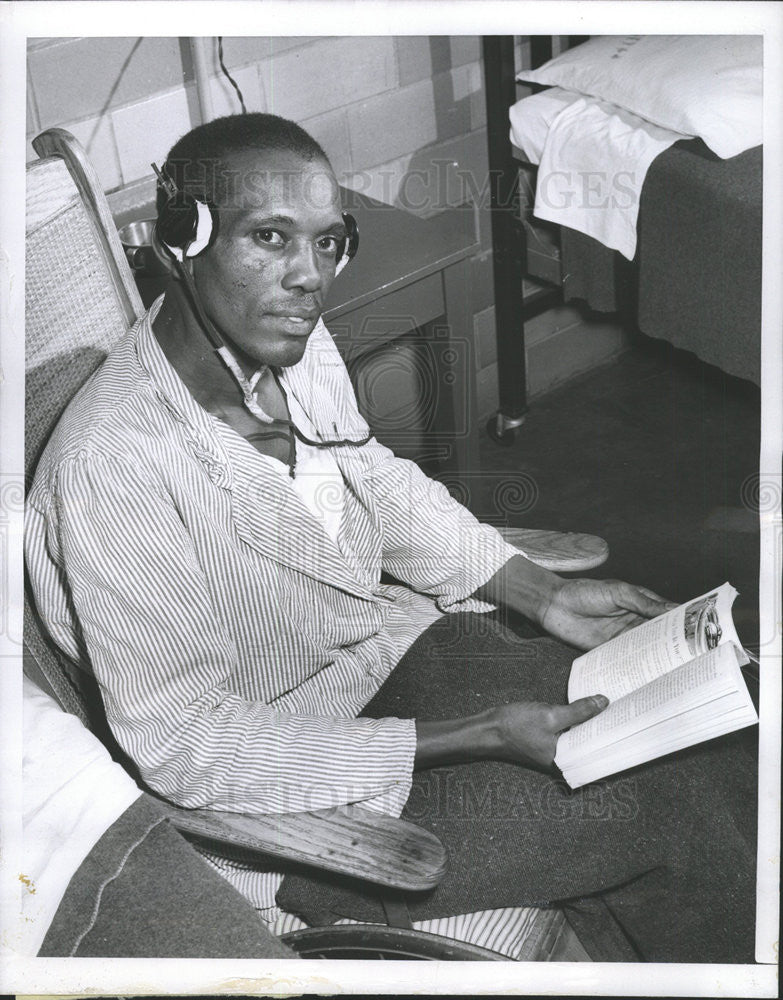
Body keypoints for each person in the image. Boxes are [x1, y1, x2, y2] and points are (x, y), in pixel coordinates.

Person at [25, 113, 756, 962]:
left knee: (710, 729)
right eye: (269, 238)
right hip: (305, 803)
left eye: (328, 243)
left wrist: (538, 589)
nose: (310, 279)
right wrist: (476, 734)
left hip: (402, 664)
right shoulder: (115, 466)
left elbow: (368, 476)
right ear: (181, 239)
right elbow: (186, 746)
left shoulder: (285, 343)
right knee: (671, 806)